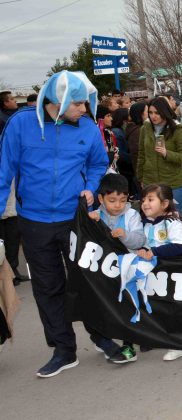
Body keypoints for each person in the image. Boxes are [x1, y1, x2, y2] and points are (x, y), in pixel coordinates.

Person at [0, 70, 114, 377]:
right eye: (78, 103)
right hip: (34, 222)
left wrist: (90, 187)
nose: (84, 110)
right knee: (48, 288)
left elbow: (98, 163)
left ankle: (103, 336)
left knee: (88, 281)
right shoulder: (21, 124)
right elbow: (3, 173)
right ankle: (64, 350)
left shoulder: (88, 128)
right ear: (58, 100)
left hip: (75, 219)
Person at [88, 174, 147, 364]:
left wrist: (125, 235)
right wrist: (92, 222)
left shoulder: (132, 215)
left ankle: (128, 343)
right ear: (101, 199)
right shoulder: (96, 215)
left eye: (122, 200)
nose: (117, 205)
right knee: (106, 305)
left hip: (127, 270)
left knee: (126, 307)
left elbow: (139, 240)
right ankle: (106, 335)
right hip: (104, 271)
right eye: (112, 200)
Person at [139, 184, 182, 362]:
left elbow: (179, 246)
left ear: (165, 203)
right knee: (156, 307)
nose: (145, 203)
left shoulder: (172, 223)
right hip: (153, 274)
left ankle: (179, 344)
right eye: (144, 199)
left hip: (172, 274)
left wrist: (154, 252)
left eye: (151, 199)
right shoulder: (146, 223)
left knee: (173, 309)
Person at [137, 97, 182, 227]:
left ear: (164, 112)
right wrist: (140, 177)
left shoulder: (177, 129)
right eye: (150, 112)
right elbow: (141, 154)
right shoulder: (145, 127)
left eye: (157, 113)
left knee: (178, 214)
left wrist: (167, 153)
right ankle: (157, 244)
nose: (153, 116)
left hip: (174, 182)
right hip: (150, 181)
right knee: (152, 216)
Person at [126, 102, 147, 197]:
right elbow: (137, 155)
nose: (150, 114)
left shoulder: (141, 129)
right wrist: (141, 177)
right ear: (141, 114)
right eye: (148, 112)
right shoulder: (137, 132)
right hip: (143, 175)